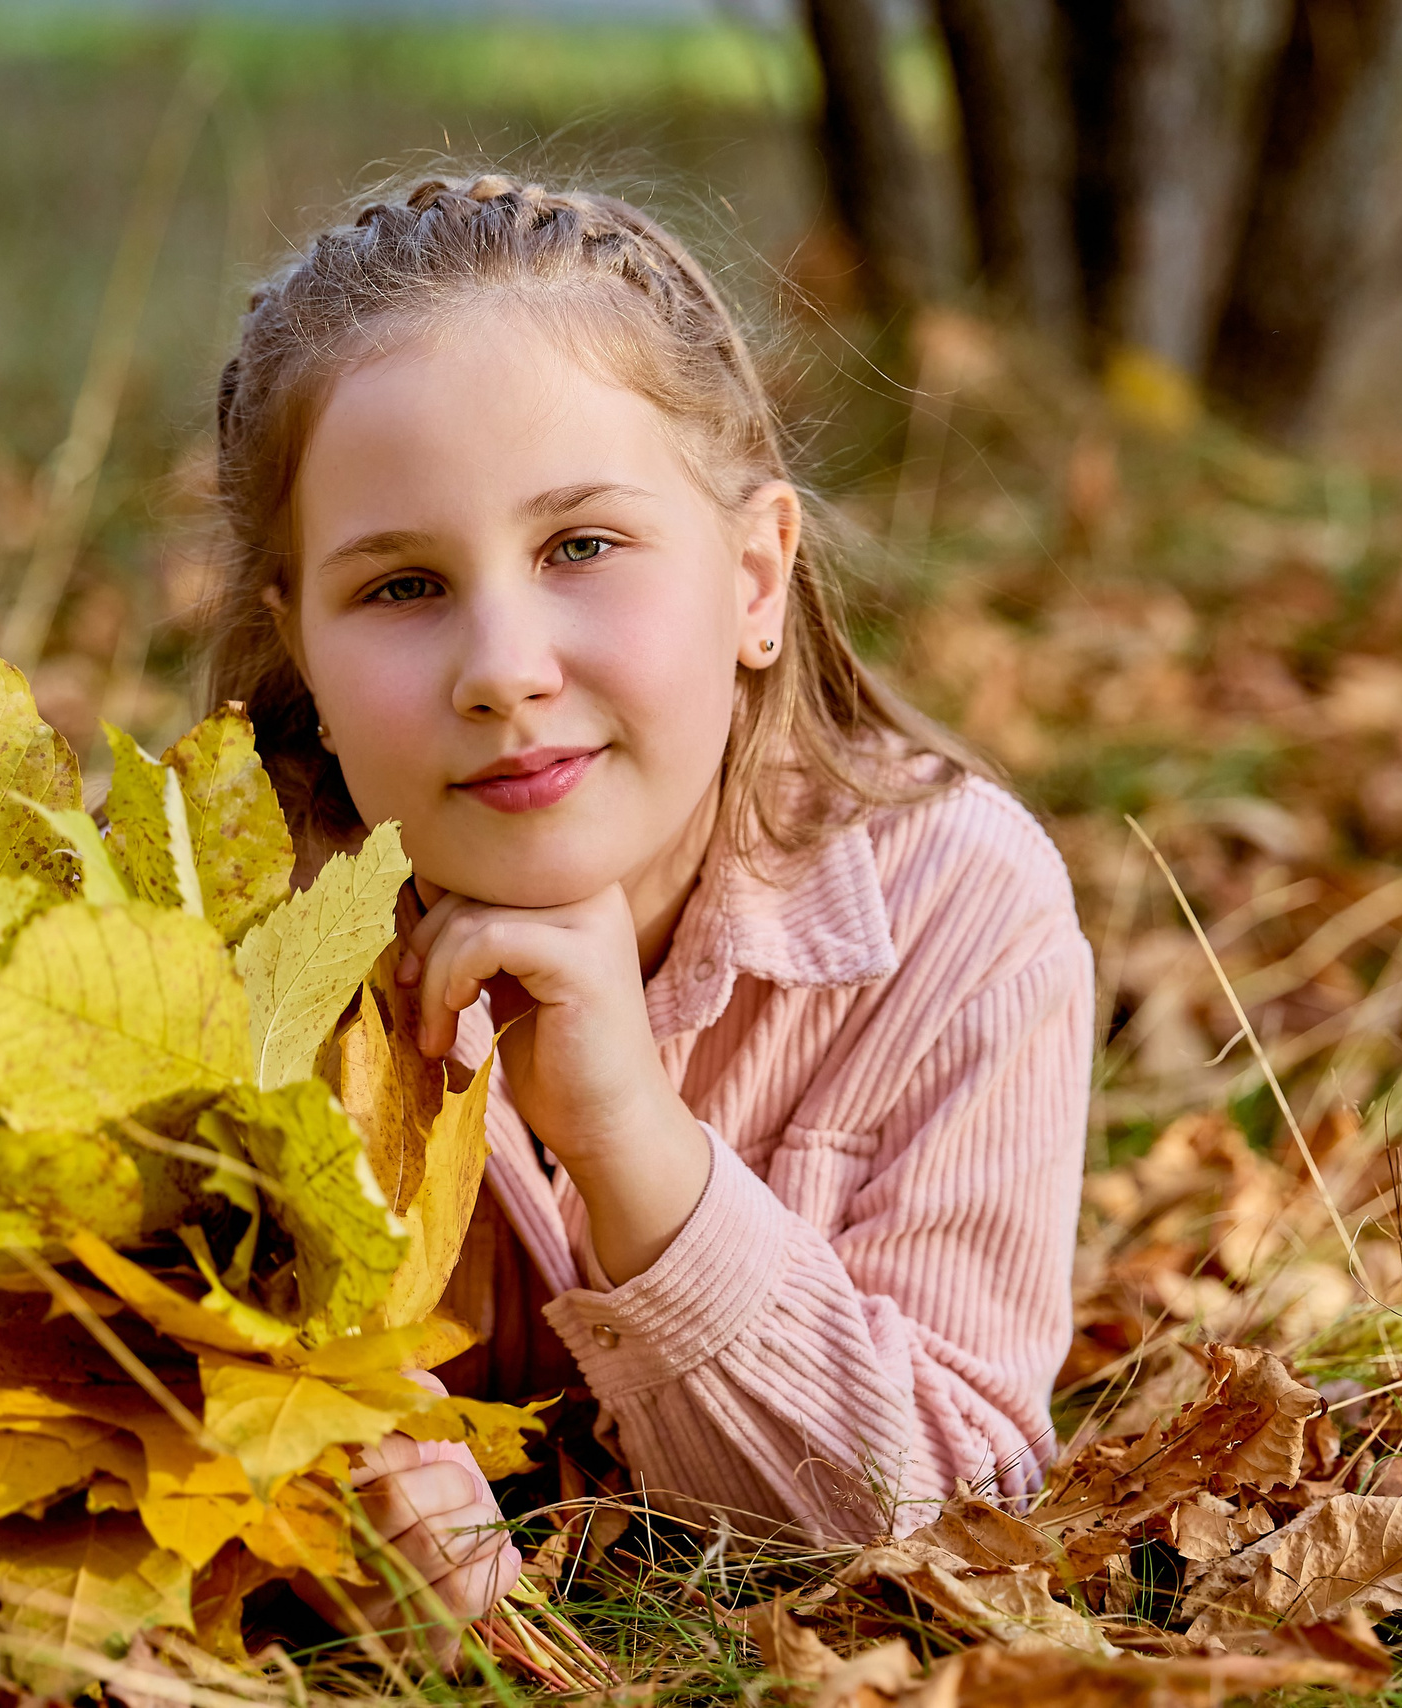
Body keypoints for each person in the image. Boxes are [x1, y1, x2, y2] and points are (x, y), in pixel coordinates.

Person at [203, 173, 1094, 1656]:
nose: (504, 666)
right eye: (404, 584)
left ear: (755, 578)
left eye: (581, 549)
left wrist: (640, 1150)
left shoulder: (956, 916)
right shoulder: (228, 940)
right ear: (298, 640)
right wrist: (424, 1555)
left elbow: (954, 1512)